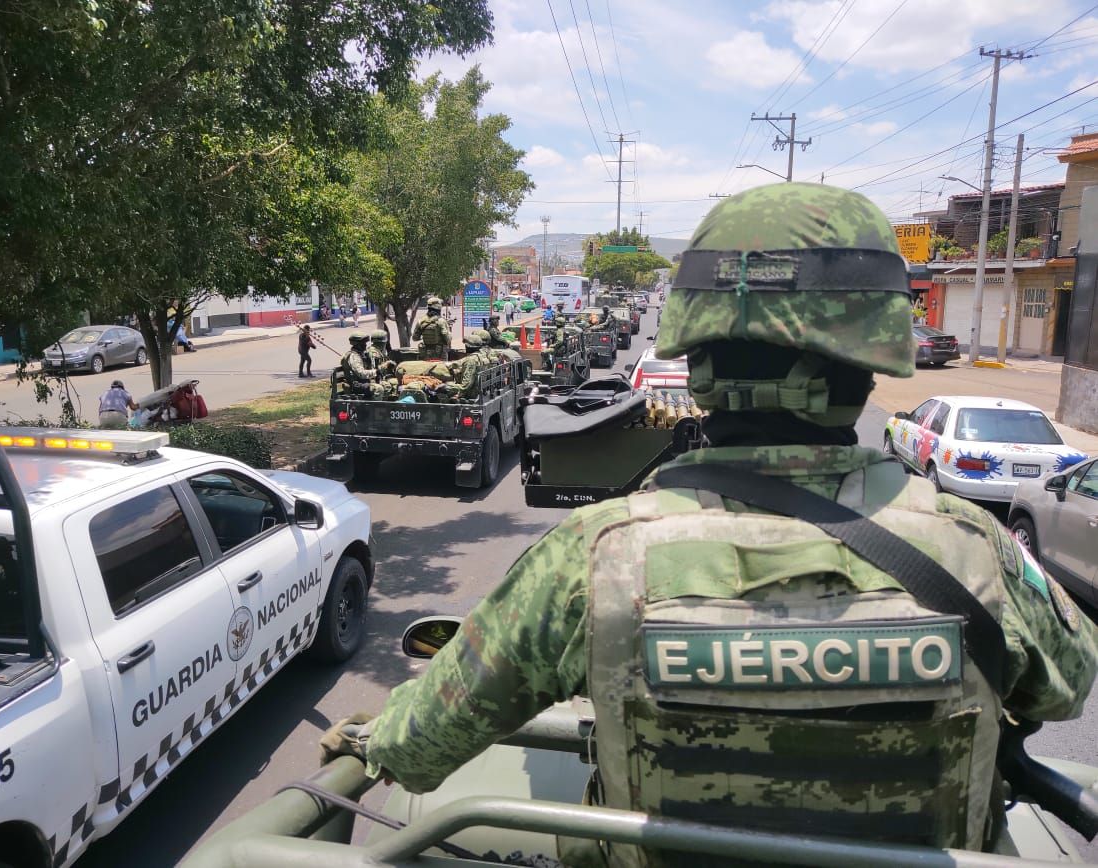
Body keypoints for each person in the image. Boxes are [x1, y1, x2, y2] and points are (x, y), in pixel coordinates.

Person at [321, 183, 1098, 860]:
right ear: (873, 367)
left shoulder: (593, 559)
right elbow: (1068, 683)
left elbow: (418, 744)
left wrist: (367, 737)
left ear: (696, 365)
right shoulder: (979, 552)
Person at [338, 331, 386, 398]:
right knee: (378, 388)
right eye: (363, 343)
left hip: (363, 382)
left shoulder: (361, 354)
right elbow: (361, 374)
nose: (365, 345)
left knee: (386, 385)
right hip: (356, 385)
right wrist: (376, 372)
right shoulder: (354, 356)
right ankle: (375, 407)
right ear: (357, 344)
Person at [412, 296, 451, 361]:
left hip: (425, 354)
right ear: (438, 307)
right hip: (440, 355)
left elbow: (415, 338)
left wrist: (425, 336)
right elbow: (447, 339)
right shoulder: (441, 321)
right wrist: (450, 333)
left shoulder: (421, 321)